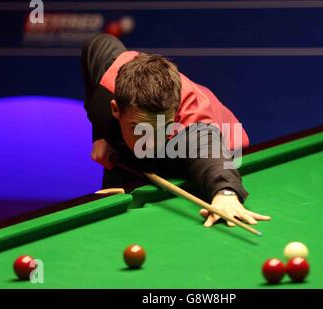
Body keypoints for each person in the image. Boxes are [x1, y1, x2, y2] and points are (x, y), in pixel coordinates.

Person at [81, 33, 270, 228]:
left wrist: (226, 193)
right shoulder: (106, 79)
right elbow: (97, 43)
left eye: (162, 128)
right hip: (129, 152)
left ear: (174, 109)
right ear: (115, 109)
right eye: (140, 129)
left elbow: (213, 159)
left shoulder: (194, 126)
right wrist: (101, 134)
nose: (151, 144)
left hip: (203, 149)